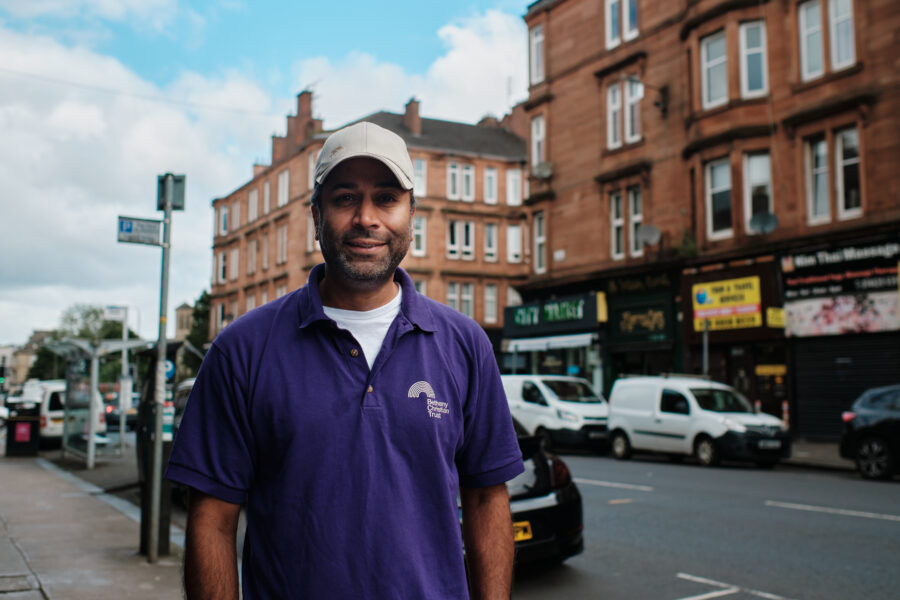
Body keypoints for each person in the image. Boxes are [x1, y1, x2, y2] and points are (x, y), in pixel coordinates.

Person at [166, 121, 525, 600]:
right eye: (344, 198)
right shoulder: (242, 349)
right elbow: (212, 521)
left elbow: (486, 498)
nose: (366, 218)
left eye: (386, 198)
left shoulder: (464, 344)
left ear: (411, 214)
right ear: (316, 216)